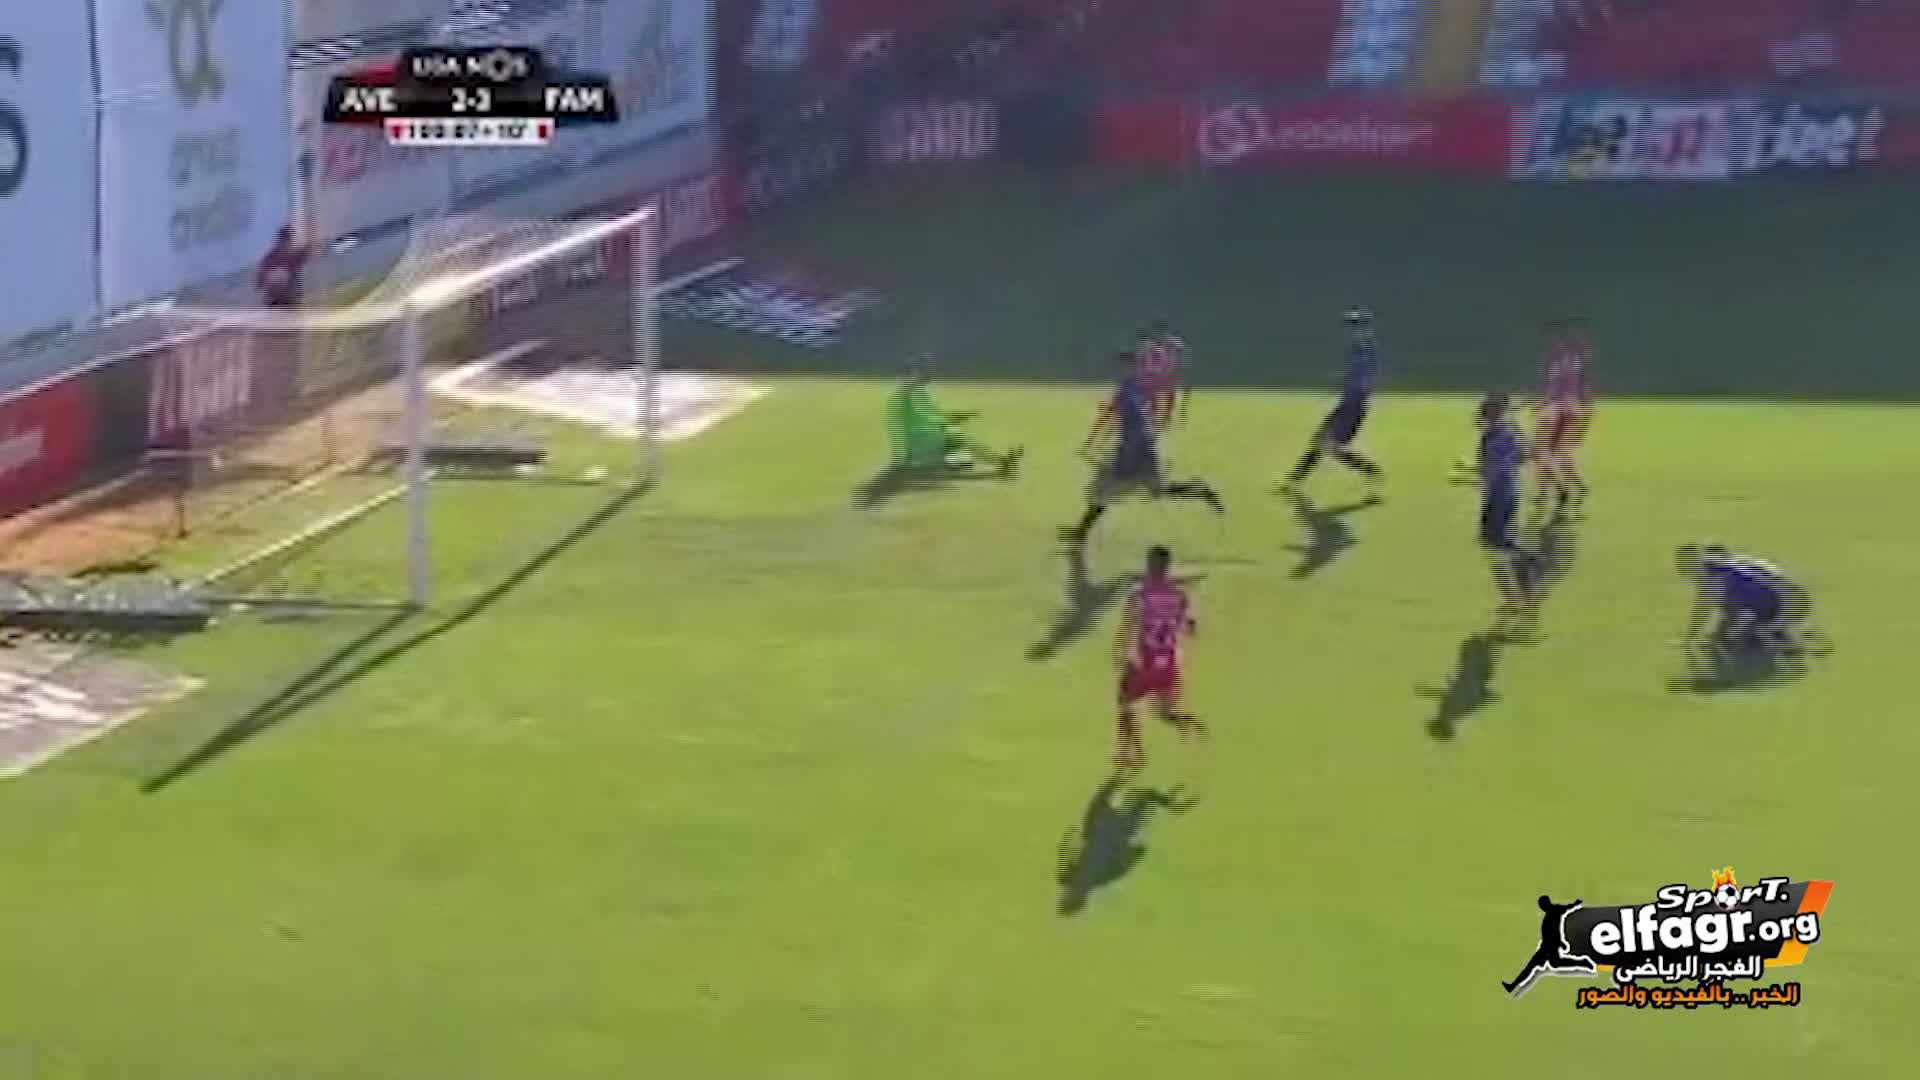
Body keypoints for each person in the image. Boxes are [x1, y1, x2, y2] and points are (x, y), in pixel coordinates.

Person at [1063, 353, 1223, 547]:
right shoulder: (1135, 387)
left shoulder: (1132, 390)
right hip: (1138, 449)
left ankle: (1080, 534)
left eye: (1124, 366)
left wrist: (1122, 451)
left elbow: (1133, 417)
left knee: (1105, 491)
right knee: (1154, 490)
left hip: (1135, 452)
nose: (1121, 370)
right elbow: (1129, 415)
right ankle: (1200, 490)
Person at [1112, 545, 1203, 777]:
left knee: (1125, 703)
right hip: (1169, 662)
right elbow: (1190, 627)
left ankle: (1130, 754)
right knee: (1163, 713)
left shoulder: (1140, 593)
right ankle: (1187, 722)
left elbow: (1129, 623)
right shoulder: (1179, 595)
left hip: (1145, 660)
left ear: (1150, 564)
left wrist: (1120, 650)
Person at [1283, 309, 1384, 491]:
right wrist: (1340, 382)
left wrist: (1354, 389)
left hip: (1353, 407)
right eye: (1351, 325)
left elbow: (1366, 379)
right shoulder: (1358, 349)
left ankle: (1370, 470)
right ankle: (1293, 481)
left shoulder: (1367, 351)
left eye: (1357, 325)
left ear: (1367, 327)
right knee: (1318, 441)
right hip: (1346, 405)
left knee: (1331, 446)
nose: (1352, 330)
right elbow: (1355, 376)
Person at [886, 357, 1022, 475]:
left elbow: (935, 415)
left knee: (960, 450)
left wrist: (960, 416)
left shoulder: (912, 393)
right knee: (959, 439)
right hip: (922, 442)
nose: (927, 376)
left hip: (922, 440)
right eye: (922, 372)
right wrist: (958, 418)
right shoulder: (911, 395)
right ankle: (1001, 461)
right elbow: (931, 418)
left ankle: (997, 461)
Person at [1675, 544, 1811, 655]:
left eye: (1686, 562)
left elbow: (1703, 610)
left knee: (1737, 642)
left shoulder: (1715, 577)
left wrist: (1689, 639)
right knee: (1726, 635)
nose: (1681, 567)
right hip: (1789, 599)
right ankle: (1777, 632)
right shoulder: (1721, 564)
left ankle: (1781, 641)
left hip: (1784, 605)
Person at [1476, 393, 1542, 617]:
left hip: (1497, 496)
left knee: (1496, 547)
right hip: (1509, 493)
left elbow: (1491, 468)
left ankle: (1527, 566)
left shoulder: (1493, 435)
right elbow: (1525, 456)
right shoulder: (1510, 432)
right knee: (1496, 545)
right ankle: (1522, 597)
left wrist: (1478, 475)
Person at [1532, 318, 1594, 513]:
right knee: (1556, 453)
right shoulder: (1570, 363)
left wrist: (1539, 404)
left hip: (1560, 410)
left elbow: (1558, 390)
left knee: (1542, 452)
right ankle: (1575, 487)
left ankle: (1553, 491)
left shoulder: (1566, 364)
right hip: (1566, 409)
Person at [1502, 895, 1597, 995]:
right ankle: (1582, 962)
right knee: (1553, 964)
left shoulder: (1555, 910)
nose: (1541, 907)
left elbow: (1564, 912)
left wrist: (1575, 904)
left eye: (1541, 905)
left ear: (1546, 903)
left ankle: (1512, 986)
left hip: (1549, 947)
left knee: (1532, 966)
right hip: (1547, 946)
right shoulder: (1551, 912)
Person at [1135, 317, 1188, 429]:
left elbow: (1178, 355)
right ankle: (1156, 417)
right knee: (1154, 395)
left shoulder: (1171, 342)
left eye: (1159, 330)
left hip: (1167, 371)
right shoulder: (1152, 344)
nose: (1158, 332)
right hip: (1157, 373)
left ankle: (1165, 417)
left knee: (1168, 394)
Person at [256, 225, 310, 309]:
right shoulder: (271, 257)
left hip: (288, 299)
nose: (288, 242)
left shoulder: (292, 255)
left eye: (289, 239)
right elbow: (259, 283)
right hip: (279, 300)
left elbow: (259, 283)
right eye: (287, 239)